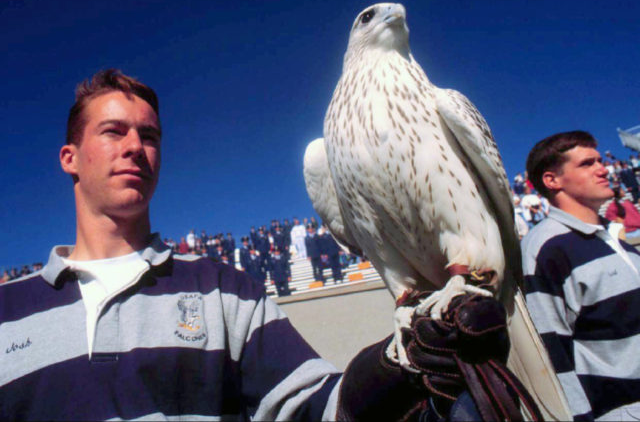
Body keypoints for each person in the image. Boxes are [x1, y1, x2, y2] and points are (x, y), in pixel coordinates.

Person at [1, 69, 508, 421]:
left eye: (150, 136)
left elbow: (319, 409)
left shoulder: (225, 291)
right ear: (70, 157)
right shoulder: (6, 310)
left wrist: (396, 371)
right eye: (113, 132)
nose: (136, 146)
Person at [522, 130, 640, 420]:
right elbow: (552, 353)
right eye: (587, 164)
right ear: (552, 180)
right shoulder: (546, 249)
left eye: (600, 161)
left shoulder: (620, 245)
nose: (603, 169)